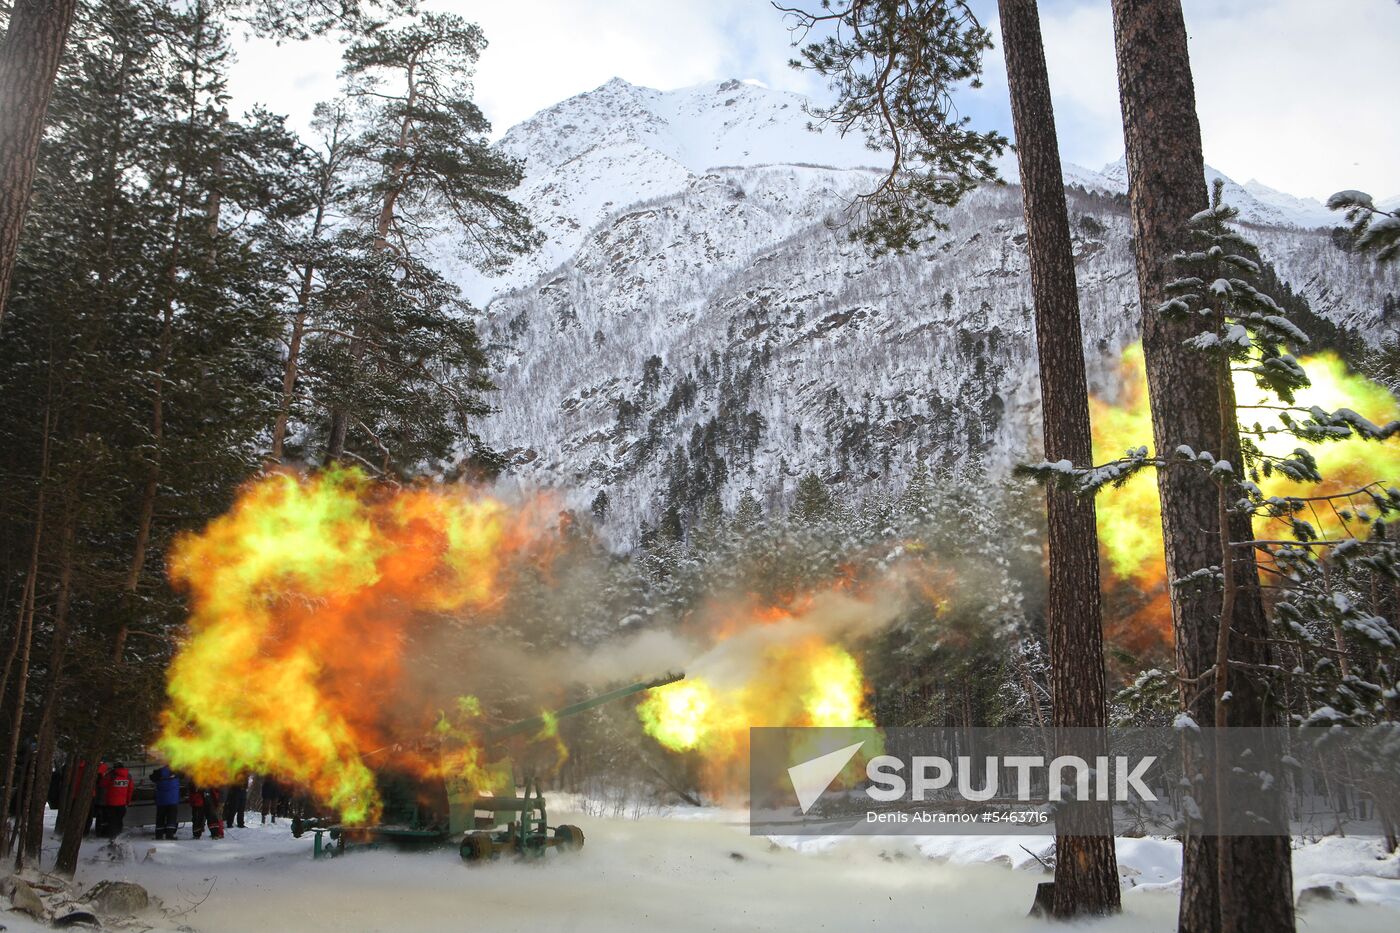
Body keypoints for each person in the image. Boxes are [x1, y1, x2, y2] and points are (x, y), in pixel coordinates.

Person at [100, 761, 133, 840]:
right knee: (119, 820)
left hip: (111, 803)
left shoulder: (111, 775)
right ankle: (118, 835)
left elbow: (102, 784)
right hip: (122, 803)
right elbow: (130, 790)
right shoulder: (128, 776)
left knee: (111, 820)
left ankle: (112, 836)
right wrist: (128, 801)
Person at [150, 765, 181, 840]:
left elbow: (151, 777)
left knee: (160, 818)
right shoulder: (176, 772)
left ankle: (159, 835)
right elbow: (184, 775)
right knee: (171, 818)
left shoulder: (158, 772)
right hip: (172, 800)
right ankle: (169, 835)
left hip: (161, 800)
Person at [88, 760, 110, 836]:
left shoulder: (94, 768)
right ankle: (102, 832)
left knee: (98, 816)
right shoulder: (106, 770)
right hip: (104, 799)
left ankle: (99, 831)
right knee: (103, 816)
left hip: (97, 798)